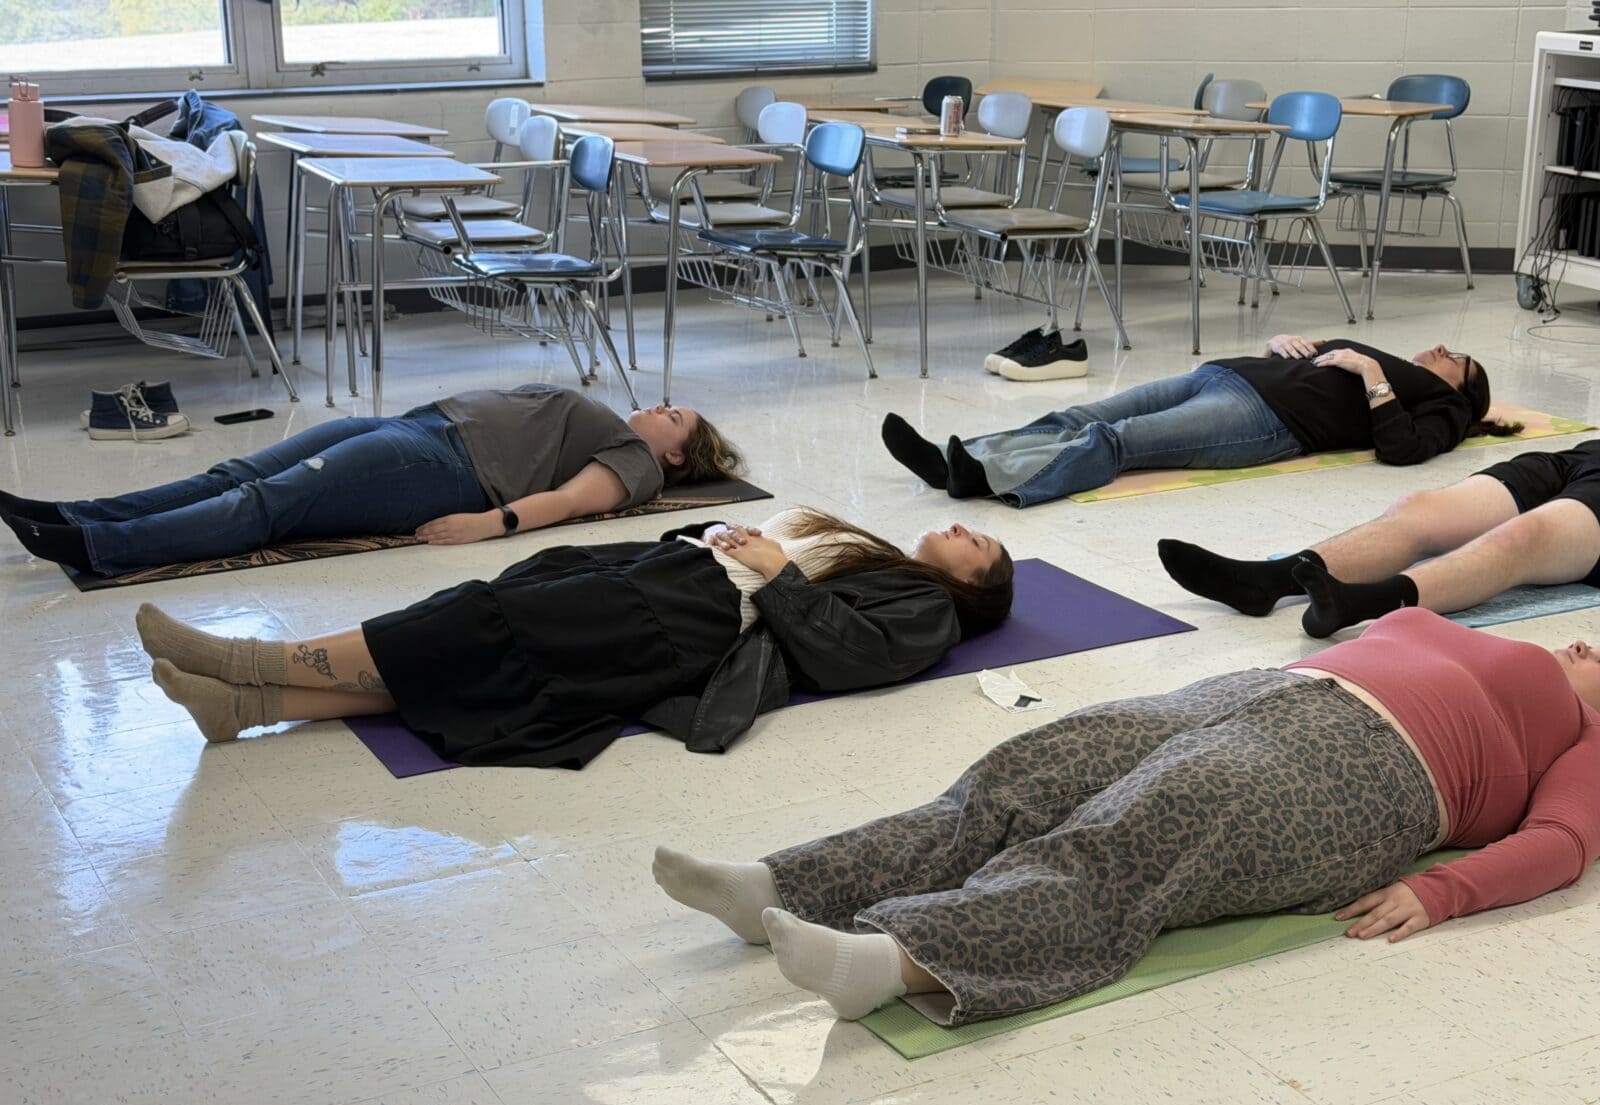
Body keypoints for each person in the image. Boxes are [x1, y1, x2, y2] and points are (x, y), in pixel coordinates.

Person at [655, 607, 1600, 1024]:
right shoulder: (1501, 641)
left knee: (1146, 830)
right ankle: (784, 885)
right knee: (1034, 767)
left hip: (1374, 772)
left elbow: (1561, 847)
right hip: (1260, 691)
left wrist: (1443, 893)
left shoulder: (1588, 735)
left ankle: (906, 962)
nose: (1592, 641)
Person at [135, 508, 1015, 767]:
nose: (959, 530)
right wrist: (724, 537)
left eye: (977, 544)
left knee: (479, 627)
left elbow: (854, 657)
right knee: (485, 627)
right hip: (680, 581)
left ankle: (245, 663)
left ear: (972, 586)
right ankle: (248, 708)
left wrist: (776, 568)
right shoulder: (875, 553)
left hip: (695, 620)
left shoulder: (928, 607)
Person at [0, 385, 742, 577]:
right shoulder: (623, 429)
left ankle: (99, 546)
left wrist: (492, 524)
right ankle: (76, 510)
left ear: (676, 456)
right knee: (243, 469)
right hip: (420, 429)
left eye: (671, 415)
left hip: (442, 469)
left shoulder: (636, 465)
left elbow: (577, 501)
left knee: (270, 502)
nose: (656, 407)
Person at [880, 333, 1518, 507]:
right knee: (1084, 410)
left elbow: (1402, 452)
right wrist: (1289, 344)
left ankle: (988, 479)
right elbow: (1321, 363)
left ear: (1466, 387)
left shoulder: (1449, 409)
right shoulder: (1408, 372)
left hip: (1264, 417)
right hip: (1232, 375)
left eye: (1454, 358)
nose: (1438, 351)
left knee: (1116, 440)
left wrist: (1370, 373)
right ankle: (954, 458)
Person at [1159, 439, 1600, 637]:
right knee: (1417, 510)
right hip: (1582, 456)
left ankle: (1359, 603)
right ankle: (1265, 581)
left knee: (1526, 535)